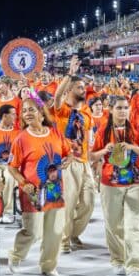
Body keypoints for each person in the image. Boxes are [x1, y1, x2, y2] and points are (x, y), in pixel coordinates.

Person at [8, 97, 73, 276]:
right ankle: (16, 255)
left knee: (55, 231)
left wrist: (69, 160)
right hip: (33, 193)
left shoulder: (55, 133)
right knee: (33, 231)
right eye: (24, 111)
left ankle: (48, 266)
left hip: (55, 191)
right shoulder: (21, 139)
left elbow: (68, 153)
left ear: (41, 113)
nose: (27, 114)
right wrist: (23, 184)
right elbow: (12, 167)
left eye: (31, 110)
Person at [91, 96, 139, 276]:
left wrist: (133, 147)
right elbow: (91, 156)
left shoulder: (137, 129)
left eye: (126, 107)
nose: (123, 111)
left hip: (135, 181)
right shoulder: (102, 130)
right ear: (111, 110)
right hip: (110, 182)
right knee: (113, 224)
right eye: (119, 108)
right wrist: (104, 151)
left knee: (133, 225)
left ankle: (134, 265)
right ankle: (117, 259)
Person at [52, 56, 95, 253]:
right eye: (79, 87)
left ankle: (73, 232)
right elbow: (56, 96)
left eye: (83, 87)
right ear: (69, 90)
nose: (83, 90)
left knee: (88, 202)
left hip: (84, 161)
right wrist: (69, 74)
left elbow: (89, 136)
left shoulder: (86, 112)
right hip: (67, 162)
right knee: (68, 204)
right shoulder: (61, 111)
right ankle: (64, 240)